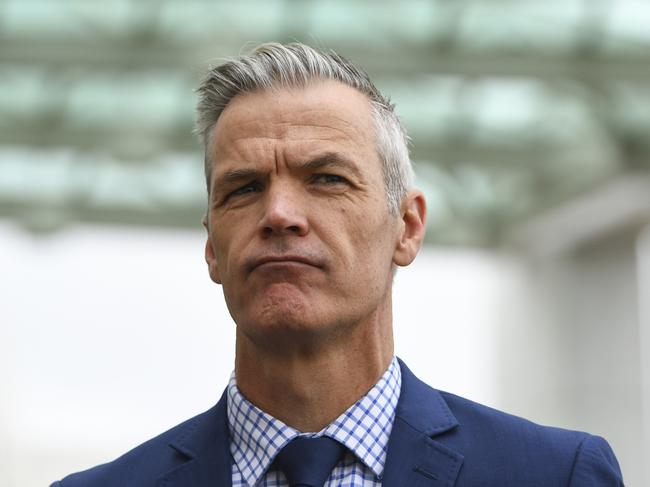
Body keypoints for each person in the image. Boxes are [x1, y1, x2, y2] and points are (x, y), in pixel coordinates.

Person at [51, 42, 624, 487]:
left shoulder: (553, 474)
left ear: (407, 226)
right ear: (212, 248)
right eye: (244, 188)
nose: (278, 214)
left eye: (326, 179)